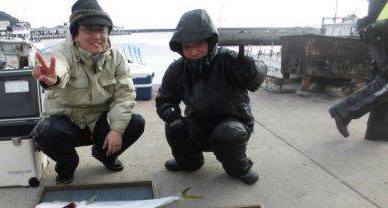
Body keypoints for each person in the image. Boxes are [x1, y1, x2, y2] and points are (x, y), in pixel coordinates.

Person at [32, 0, 145, 184]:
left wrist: (116, 130)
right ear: (76, 34)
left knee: (135, 122)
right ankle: (67, 164)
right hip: (68, 122)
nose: (97, 36)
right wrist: (54, 78)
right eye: (89, 30)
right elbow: (58, 65)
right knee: (46, 132)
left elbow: (125, 94)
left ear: (108, 32)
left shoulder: (117, 57)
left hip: (100, 121)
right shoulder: (62, 52)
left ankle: (105, 155)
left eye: (102, 30)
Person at [156, 9, 268, 185]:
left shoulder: (228, 58)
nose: (193, 51)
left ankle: (241, 167)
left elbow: (257, 78)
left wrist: (249, 69)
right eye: (187, 46)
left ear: (209, 41)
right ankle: (189, 161)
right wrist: (172, 115)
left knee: (229, 133)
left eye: (198, 44)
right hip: (197, 122)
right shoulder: (176, 69)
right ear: (180, 47)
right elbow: (165, 100)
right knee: (174, 127)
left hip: (232, 122)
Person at [329, 0, 388, 140]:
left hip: (378, 32)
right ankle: (342, 112)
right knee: (384, 82)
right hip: (382, 32)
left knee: (381, 80)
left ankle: (378, 130)